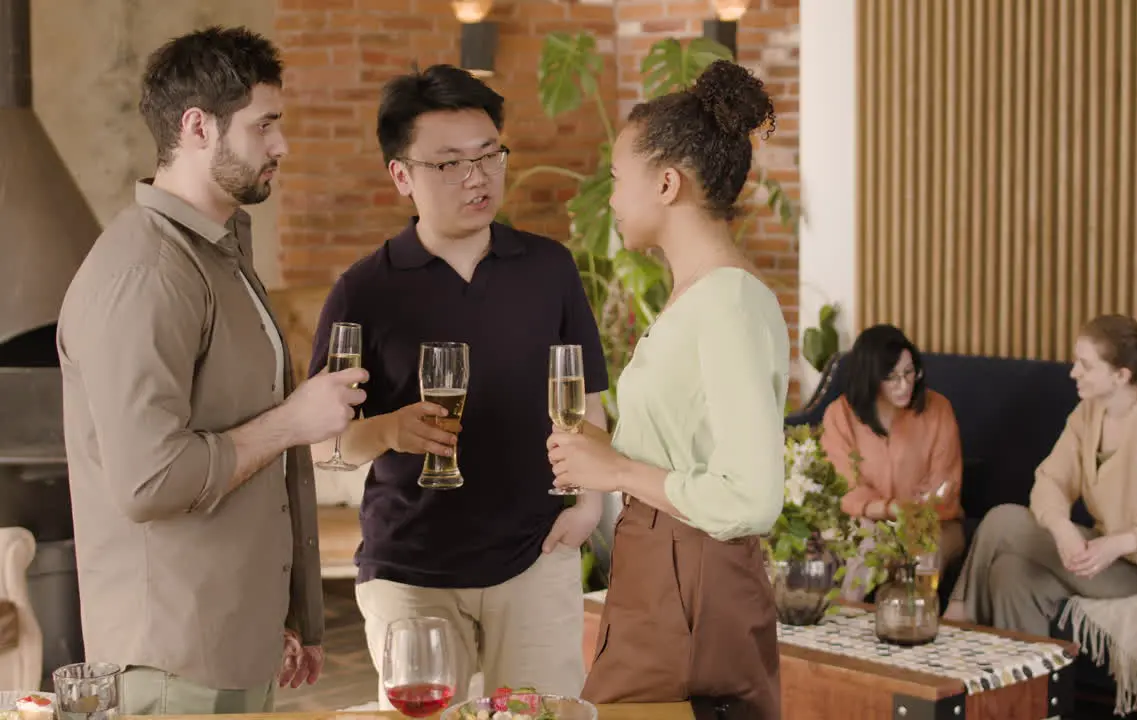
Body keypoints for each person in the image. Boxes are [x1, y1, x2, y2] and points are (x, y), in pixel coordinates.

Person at [57, 27, 366, 715]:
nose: (281, 145)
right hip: (170, 666)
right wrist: (293, 422)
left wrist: (281, 617)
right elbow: (150, 480)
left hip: (226, 647)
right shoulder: (147, 274)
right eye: (265, 125)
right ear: (198, 128)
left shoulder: (216, 255)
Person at [307, 65, 609, 706]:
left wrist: (587, 505)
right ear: (401, 176)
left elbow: (587, 398)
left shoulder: (548, 267)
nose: (476, 177)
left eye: (488, 155)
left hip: (535, 555)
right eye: (448, 164)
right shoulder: (364, 290)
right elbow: (321, 443)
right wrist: (388, 430)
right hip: (410, 570)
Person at [546, 60, 789, 720]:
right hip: (670, 569)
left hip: (689, 576)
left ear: (666, 182)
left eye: (618, 181)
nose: (611, 199)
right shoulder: (702, 298)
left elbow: (752, 495)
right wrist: (603, 454)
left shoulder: (729, 304)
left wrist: (617, 467)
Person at [943, 314, 1137, 635]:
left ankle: (956, 615)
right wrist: (1061, 527)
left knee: (1002, 521)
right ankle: (1033, 684)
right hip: (1098, 556)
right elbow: (1051, 480)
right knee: (1010, 573)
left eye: (1085, 365)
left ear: (1120, 376)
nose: (1073, 373)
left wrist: (1120, 544)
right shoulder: (1087, 412)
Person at [819, 324, 965, 599]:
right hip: (866, 520)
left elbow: (943, 488)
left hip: (935, 524)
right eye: (892, 378)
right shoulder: (840, 415)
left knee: (926, 551)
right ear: (871, 378)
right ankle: (846, 629)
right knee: (868, 543)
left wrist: (909, 515)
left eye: (910, 373)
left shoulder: (938, 410)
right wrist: (890, 509)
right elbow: (846, 490)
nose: (905, 385)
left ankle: (917, 630)